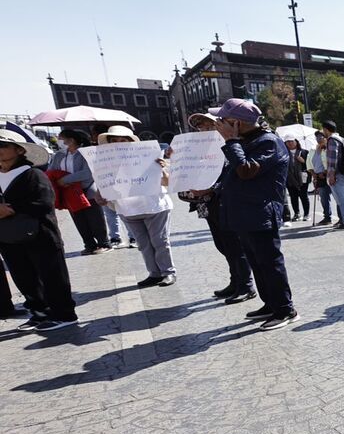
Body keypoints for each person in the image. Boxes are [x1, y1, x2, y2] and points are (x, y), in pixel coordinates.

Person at [212, 98, 298, 330]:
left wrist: (230, 141)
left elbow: (247, 170)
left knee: (270, 263)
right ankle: (270, 303)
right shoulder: (247, 140)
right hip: (243, 214)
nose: (219, 124)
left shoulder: (268, 142)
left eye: (224, 120)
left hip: (260, 213)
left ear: (237, 123)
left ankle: (285, 309)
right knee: (256, 263)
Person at [0, 129, 77, 331]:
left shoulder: (33, 174)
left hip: (40, 235)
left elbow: (44, 203)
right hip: (8, 237)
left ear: (19, 150)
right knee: (24, 278)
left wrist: (10, 209)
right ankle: (39, 313)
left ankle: (64, 314)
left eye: (3, 146)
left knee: (52, 276)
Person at [176, 113, 256, 304]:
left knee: (235, 246)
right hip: (207, 204)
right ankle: (235, 281)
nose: (204, 130)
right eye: (201, 127)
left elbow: (234, 173)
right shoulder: (197, 150)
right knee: (223, 244)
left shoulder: (231, 145)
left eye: (209, 126)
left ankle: (246, 285)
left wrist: (212, 188)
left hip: (227, 202)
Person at [96, 126, 175, 287]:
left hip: (155, 206)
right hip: (128, 210)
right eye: (115, 141)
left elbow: (167, 182)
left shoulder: (147, 158)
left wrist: (163, 169)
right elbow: (101, 189)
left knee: (159, 241)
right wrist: (101, 197)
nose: (119, 144)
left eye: (123, 140)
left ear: (131, 142)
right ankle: (154, 273)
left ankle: (168, 272)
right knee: (143, 244)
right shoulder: (105, 163)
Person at [45, 130, 111, 255]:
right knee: (79, 220)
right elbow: (50, 170)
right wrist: (59, 181)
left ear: (72, 139)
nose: (59, 141)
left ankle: (104, 243)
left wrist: (65, 179)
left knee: (95, 218)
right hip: (68, 192)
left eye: (61, 138)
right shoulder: (58, 155)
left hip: (87, 189)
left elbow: (87, 173)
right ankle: (89, 244)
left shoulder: (86, 153)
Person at [321, 121, 344, 229]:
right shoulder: (341, 139)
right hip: (343, 171)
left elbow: (332, 159)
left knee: (341, 199)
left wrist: (331, 175)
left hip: (337, 173)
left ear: (326, 129)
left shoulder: (331, 140)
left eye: (323, 130)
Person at [282, 136, 311, 223]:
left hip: (303, 178)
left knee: (304, 196)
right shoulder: (284, 153)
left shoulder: (304, 152)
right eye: (287, 142)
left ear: (296, 142)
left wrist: (303, 161)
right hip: (290, 178)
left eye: (292, 141)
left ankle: (306, 214)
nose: (290, 143)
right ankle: (296, 213)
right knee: (293, 197)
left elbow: (310, 165)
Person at [309, 131, 333, 225]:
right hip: (318, 177)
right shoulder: (313, 149)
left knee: (337, 197)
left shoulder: (329, 148)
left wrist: (325, 172)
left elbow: (332, 162)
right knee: (323, 198)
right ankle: (327, 217)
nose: (319, 139)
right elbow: (309, 162)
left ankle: (342, 218)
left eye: (321, 137)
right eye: (317, 137)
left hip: (329, 175)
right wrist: (312, 173)